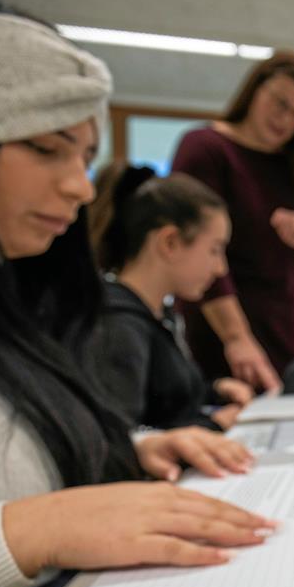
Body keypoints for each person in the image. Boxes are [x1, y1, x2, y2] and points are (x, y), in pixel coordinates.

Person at [0, 0, 272, 587]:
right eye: (44, 147)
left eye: (85, 156)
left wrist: (121, 447)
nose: (80, 186)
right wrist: (35, 527)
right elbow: (12, 513)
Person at [171, 51, 294, 392]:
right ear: (255, 90)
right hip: (225, 334)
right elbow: (198, 253)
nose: (286, 120)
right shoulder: (206, 148)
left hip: (290, 335)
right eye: (280, 103)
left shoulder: (293, 166)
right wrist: (237, 338)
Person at [85, 162, 255, 431]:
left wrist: (214, 391)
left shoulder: (157, 316)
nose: (220, 268)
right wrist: (214, 424)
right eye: (214, 250)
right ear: (170, 243)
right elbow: (121, 439)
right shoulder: (119, 326)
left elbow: (165, 397)